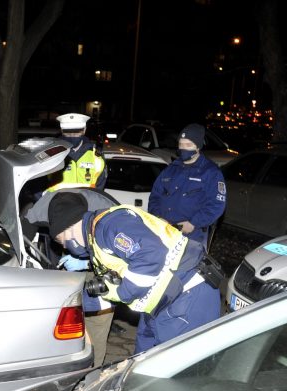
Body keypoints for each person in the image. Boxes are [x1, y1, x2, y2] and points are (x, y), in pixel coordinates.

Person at [47, 193, 221, 353]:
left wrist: (123, 293)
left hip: (187, 297)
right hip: (160, 303)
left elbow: (151, 255)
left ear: (67, 227)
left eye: (61, 240)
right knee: (141, 362)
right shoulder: (98, 238)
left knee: (172, 374)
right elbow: (112, 289)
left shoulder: (109, 226)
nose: (63, 246)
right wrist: (72, 305)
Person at [21, 188, 117, 367]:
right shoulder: (43, 207)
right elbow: (23, 231)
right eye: (60, 241)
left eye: (66, 239)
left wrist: (88, 262)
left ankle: (93, 375)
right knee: (71, 322)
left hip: (108, 264)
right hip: (81, 252)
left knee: (97, 322)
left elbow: (120, 264)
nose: (65, 244)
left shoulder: (109, 218)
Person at [148, 123, 226, 247]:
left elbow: (216, 204)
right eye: (181, 144)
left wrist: (193, 223)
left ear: (198, 147)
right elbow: (155, 196)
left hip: (192, 236)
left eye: (188, 145)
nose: (184, 148)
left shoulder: (211, 172)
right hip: (164, 232)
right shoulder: (171, 169)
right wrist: (157, 216)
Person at [44, 113, 107, 192]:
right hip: (55, 203)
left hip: (87, 203)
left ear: (84, 130)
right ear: (61, 131)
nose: (72, 135)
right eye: (67, 132)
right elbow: (37, 186)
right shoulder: (50, 155)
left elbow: (99, 188)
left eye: (77, 131)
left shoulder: (97, 156)